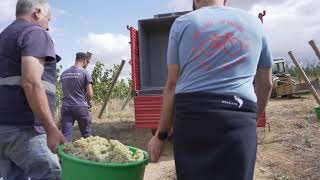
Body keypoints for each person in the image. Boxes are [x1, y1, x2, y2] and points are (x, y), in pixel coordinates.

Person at [148, 0, 273, 179]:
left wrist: (161, 136)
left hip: (192, 119)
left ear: (195, 1)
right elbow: (266, 84)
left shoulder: (182, 23)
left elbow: (171, 84)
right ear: (226, 0)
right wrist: (249, 120)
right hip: (239, 117)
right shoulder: (255, 24)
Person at [0, 0, 65, 179]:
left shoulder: (3, 36)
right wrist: (51, 128)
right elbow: (31, 81)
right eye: (48, 20)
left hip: (3, 130)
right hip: (27, 129)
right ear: (37, 12)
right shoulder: (34, 32)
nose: (48, 27)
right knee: (49, 174)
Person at [60, 52, 94, 142]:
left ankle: (64, 155)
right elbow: (90, 93)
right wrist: (89, 103)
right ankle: (89, 154)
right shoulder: (85, 73)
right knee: (86, 135)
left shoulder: (64, 73)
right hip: (80, 107)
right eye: (87, 62)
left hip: (66, 107)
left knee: (66, 136)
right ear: (84, 61)